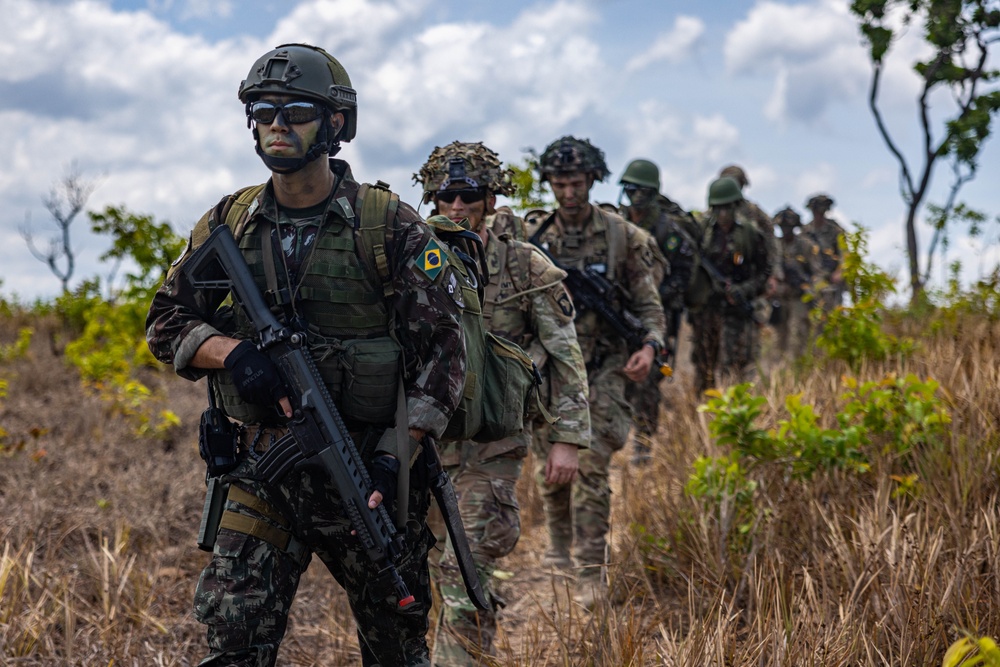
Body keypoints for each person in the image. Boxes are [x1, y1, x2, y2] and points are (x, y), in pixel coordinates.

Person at [145, 43, 467, 667]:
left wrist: (393, 458)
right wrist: (234, 355)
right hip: (263, 470)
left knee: (396, 646)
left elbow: (444, 357)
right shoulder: (230, 222)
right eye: (262, 111)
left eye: (295, 110)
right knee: (232, 639)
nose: (276, 124)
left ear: (337, 124)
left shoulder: (389, 226)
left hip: (371, 482)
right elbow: (165, 321)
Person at [414, 141, 591, 666]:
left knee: (463, 565)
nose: (458, 206)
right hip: (421, 443)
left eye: (470, 195)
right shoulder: (411, 254)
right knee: (431, 573)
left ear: (491, 199)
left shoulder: (523, 265)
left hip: (494, 445)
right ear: (433, 199)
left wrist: (567, 438)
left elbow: (565, 353)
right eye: (447, 196)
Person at [528, 136, 666, 609]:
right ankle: (559, 548)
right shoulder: (534, 236)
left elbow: (649, 303)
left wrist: (649, 346)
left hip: (606, 365)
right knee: (550, 468)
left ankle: (590, 568)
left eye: (577, 183)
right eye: (560, 183)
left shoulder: (621, 236)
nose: (568, 193)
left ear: (592, 180)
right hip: (549, 368)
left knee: (589, 463)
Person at [618, 158, 701, 464]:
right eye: (630, 190)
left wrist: (657, 295)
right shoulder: (616, 225)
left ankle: (642, 445)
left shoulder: (670, 231)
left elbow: (685, 270)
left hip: (658, 316)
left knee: (651, 379)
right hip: (621, 315)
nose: (634, 197)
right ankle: (619, 437)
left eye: (641, 191)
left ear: (652, 193)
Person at [687, 176, 771, 396]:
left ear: (735, 206)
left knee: (732, 365)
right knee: (704, 365)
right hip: (706, 308)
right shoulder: (702, 231)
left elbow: (764, 272)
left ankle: (731, 413)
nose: (723, 215)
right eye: (718, 209)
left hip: (734, 311)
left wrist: (744, 290)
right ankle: (702, 413)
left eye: (727, 208)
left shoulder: (750, 234)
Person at [773, 207, 818, 362]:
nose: (785, 230)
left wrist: (808, 288)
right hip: (779, 297)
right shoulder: (775, 246)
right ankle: (777, 367)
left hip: (799, 297)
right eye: (782, 227)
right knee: (778, 336)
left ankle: (796, 366)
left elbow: (816, 272)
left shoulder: (805, 245)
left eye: (789, 227)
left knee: (798, 334)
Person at [800, 193, 845, 314]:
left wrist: (839, 271)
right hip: (811, 277)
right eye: (816, 211)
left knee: (834, 311)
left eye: (822, 211)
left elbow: (844, 253)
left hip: (831, 275)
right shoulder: (805, 231)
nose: (819, 215)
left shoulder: (835, 230)